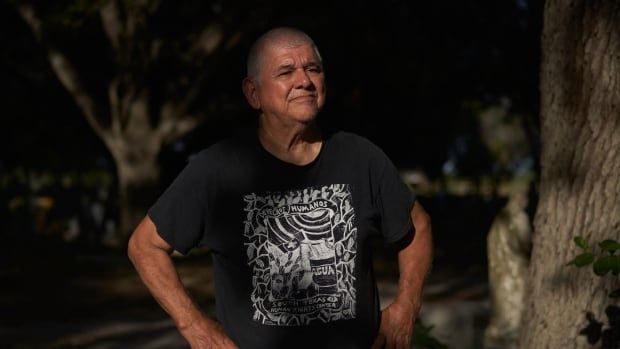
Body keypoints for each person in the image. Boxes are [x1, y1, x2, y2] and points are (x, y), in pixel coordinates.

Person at [128, 27, 433, 349]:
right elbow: (144, 246)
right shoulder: (217, 169)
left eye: (312, 69)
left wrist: (406, 308)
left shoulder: (361, 158)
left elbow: (418, 225)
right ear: (253, 93)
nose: (304, 80)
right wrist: (196, 327)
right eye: (286, 71)